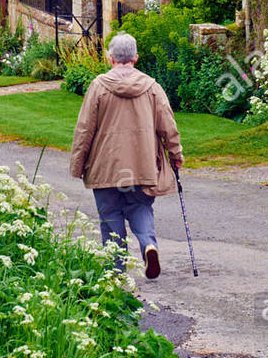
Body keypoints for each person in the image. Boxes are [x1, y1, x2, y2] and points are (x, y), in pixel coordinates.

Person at [70, 33, 183, 279]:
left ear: (110, 58)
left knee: (110, 217)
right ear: (135, 58)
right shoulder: (152, 87)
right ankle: (148, 245)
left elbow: (84, 128)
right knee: (140, 208)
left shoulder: (99, 86)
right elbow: (168, 125)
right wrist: (176, 154)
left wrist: (78, 164)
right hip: (141, 164)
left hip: (106, 165)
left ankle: (116, 270)